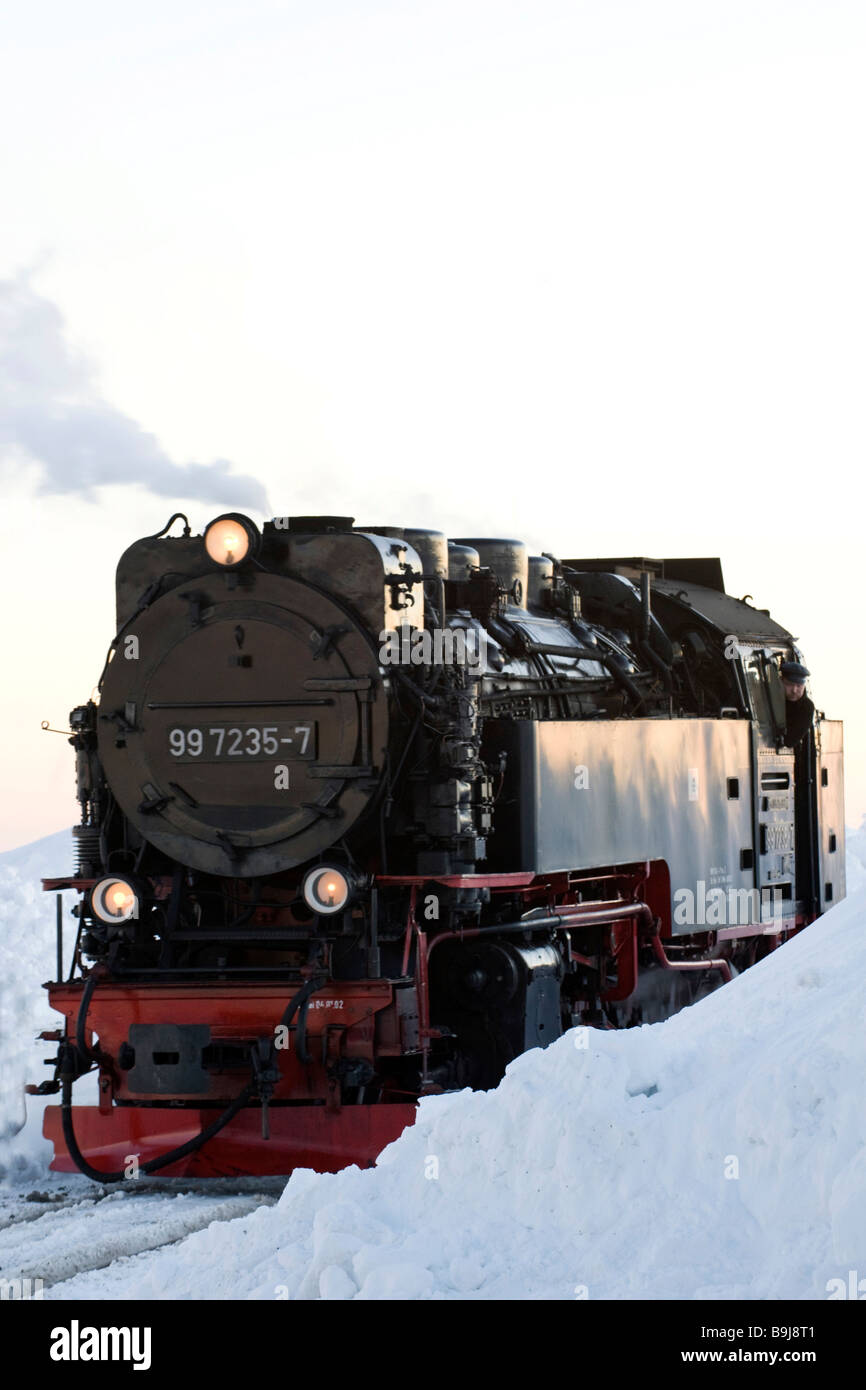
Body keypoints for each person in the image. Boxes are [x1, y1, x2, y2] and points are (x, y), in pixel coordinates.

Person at [780, 661, 814, 747]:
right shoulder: (770, 700)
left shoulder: (806, 707)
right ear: (781, 681)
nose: (794, 690)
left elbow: (789, 741)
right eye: (789, 685)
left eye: (799, 686)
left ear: (804, 686)